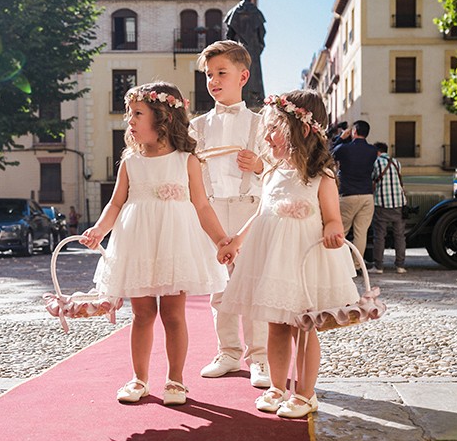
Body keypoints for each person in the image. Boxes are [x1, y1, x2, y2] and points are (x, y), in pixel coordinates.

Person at [80, 81, 228, 406]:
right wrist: (99, 229)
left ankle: (175, 380)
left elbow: (202, 206)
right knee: (142, 314)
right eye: (128, 113)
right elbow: (116, 204)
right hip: (138, 242)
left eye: (137, 113)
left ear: (162, 118)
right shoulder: (130, 162)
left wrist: (221, 240)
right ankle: (139, 379)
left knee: (174, 315)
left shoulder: (186, 160)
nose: (129, 121)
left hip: (174, 242)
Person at [218, 90, 360, 419]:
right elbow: (262, 213)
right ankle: (277, 386)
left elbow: (333, 216)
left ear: (303, 129)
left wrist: (332, 229)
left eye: (274, 128)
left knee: (304, 327)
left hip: (305, 261)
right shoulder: (270, 172)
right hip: (273, 261)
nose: (266, 136)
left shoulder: (320, 176)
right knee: (276, 327)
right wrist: (237, 239)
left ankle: (305, 394)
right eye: (266, 129)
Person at [190, 40, 270, 388]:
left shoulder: (262, 123)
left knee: (251, 284)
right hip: (211, 214)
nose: (214, 80)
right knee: (219, 287)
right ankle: (228, 352)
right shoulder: (198, 126)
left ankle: (261, 358)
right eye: (209, 74)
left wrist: (258, 164)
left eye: (221, 72)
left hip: (249, 211)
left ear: (243, 76)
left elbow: (279, 172)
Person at [330, 120, 378, 268]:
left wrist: (341, 138)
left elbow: (330, 153)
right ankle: (357, 265)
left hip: (348, 195)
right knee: (361, 233)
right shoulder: (372, 151)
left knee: (341, 231)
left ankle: (337, 265)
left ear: (354, 132)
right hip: (367, 196)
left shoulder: (344, 149)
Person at [370, 142, 407, 274]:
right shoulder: (397, 163)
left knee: (379, 235)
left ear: (377, 152)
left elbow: (373, 179)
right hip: (398, 203)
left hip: (382, 203)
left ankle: (379, 266)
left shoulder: (376, 162)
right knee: (399, 236)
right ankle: (400, 266)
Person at [224, 0, 266, 107]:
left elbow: (229, 33)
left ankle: (242, 95)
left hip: (239, 46)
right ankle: (255, 97)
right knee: (254, 71)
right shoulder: (256, 13)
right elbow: (262, 31)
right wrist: (260, 45)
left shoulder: (234, 12)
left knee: (239, 70)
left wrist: (231, 47)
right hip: (253, 46)